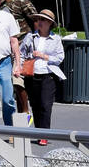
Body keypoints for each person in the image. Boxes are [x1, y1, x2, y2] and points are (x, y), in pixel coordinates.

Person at [20, 10, 65, 143]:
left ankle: (44, 134)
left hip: (48, 75)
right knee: (35, 104)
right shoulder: (30, 37)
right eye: (38, 19)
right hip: (32, 74)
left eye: (43, 20)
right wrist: (22, 64)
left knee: (46, 105)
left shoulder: (56, 39)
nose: (39, 22)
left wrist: (45, 56)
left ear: (50, 23)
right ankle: (38, 131)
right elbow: (22, 53)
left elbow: (60, 57)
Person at [0, 0, 37, 118]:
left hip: (22, 46)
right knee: (12, 85)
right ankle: (20, 114)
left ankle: (26, 112)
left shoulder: (21, 1)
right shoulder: (0, 5)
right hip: (6, 49)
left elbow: (35, 20)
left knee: (18, 80)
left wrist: (36, 41)